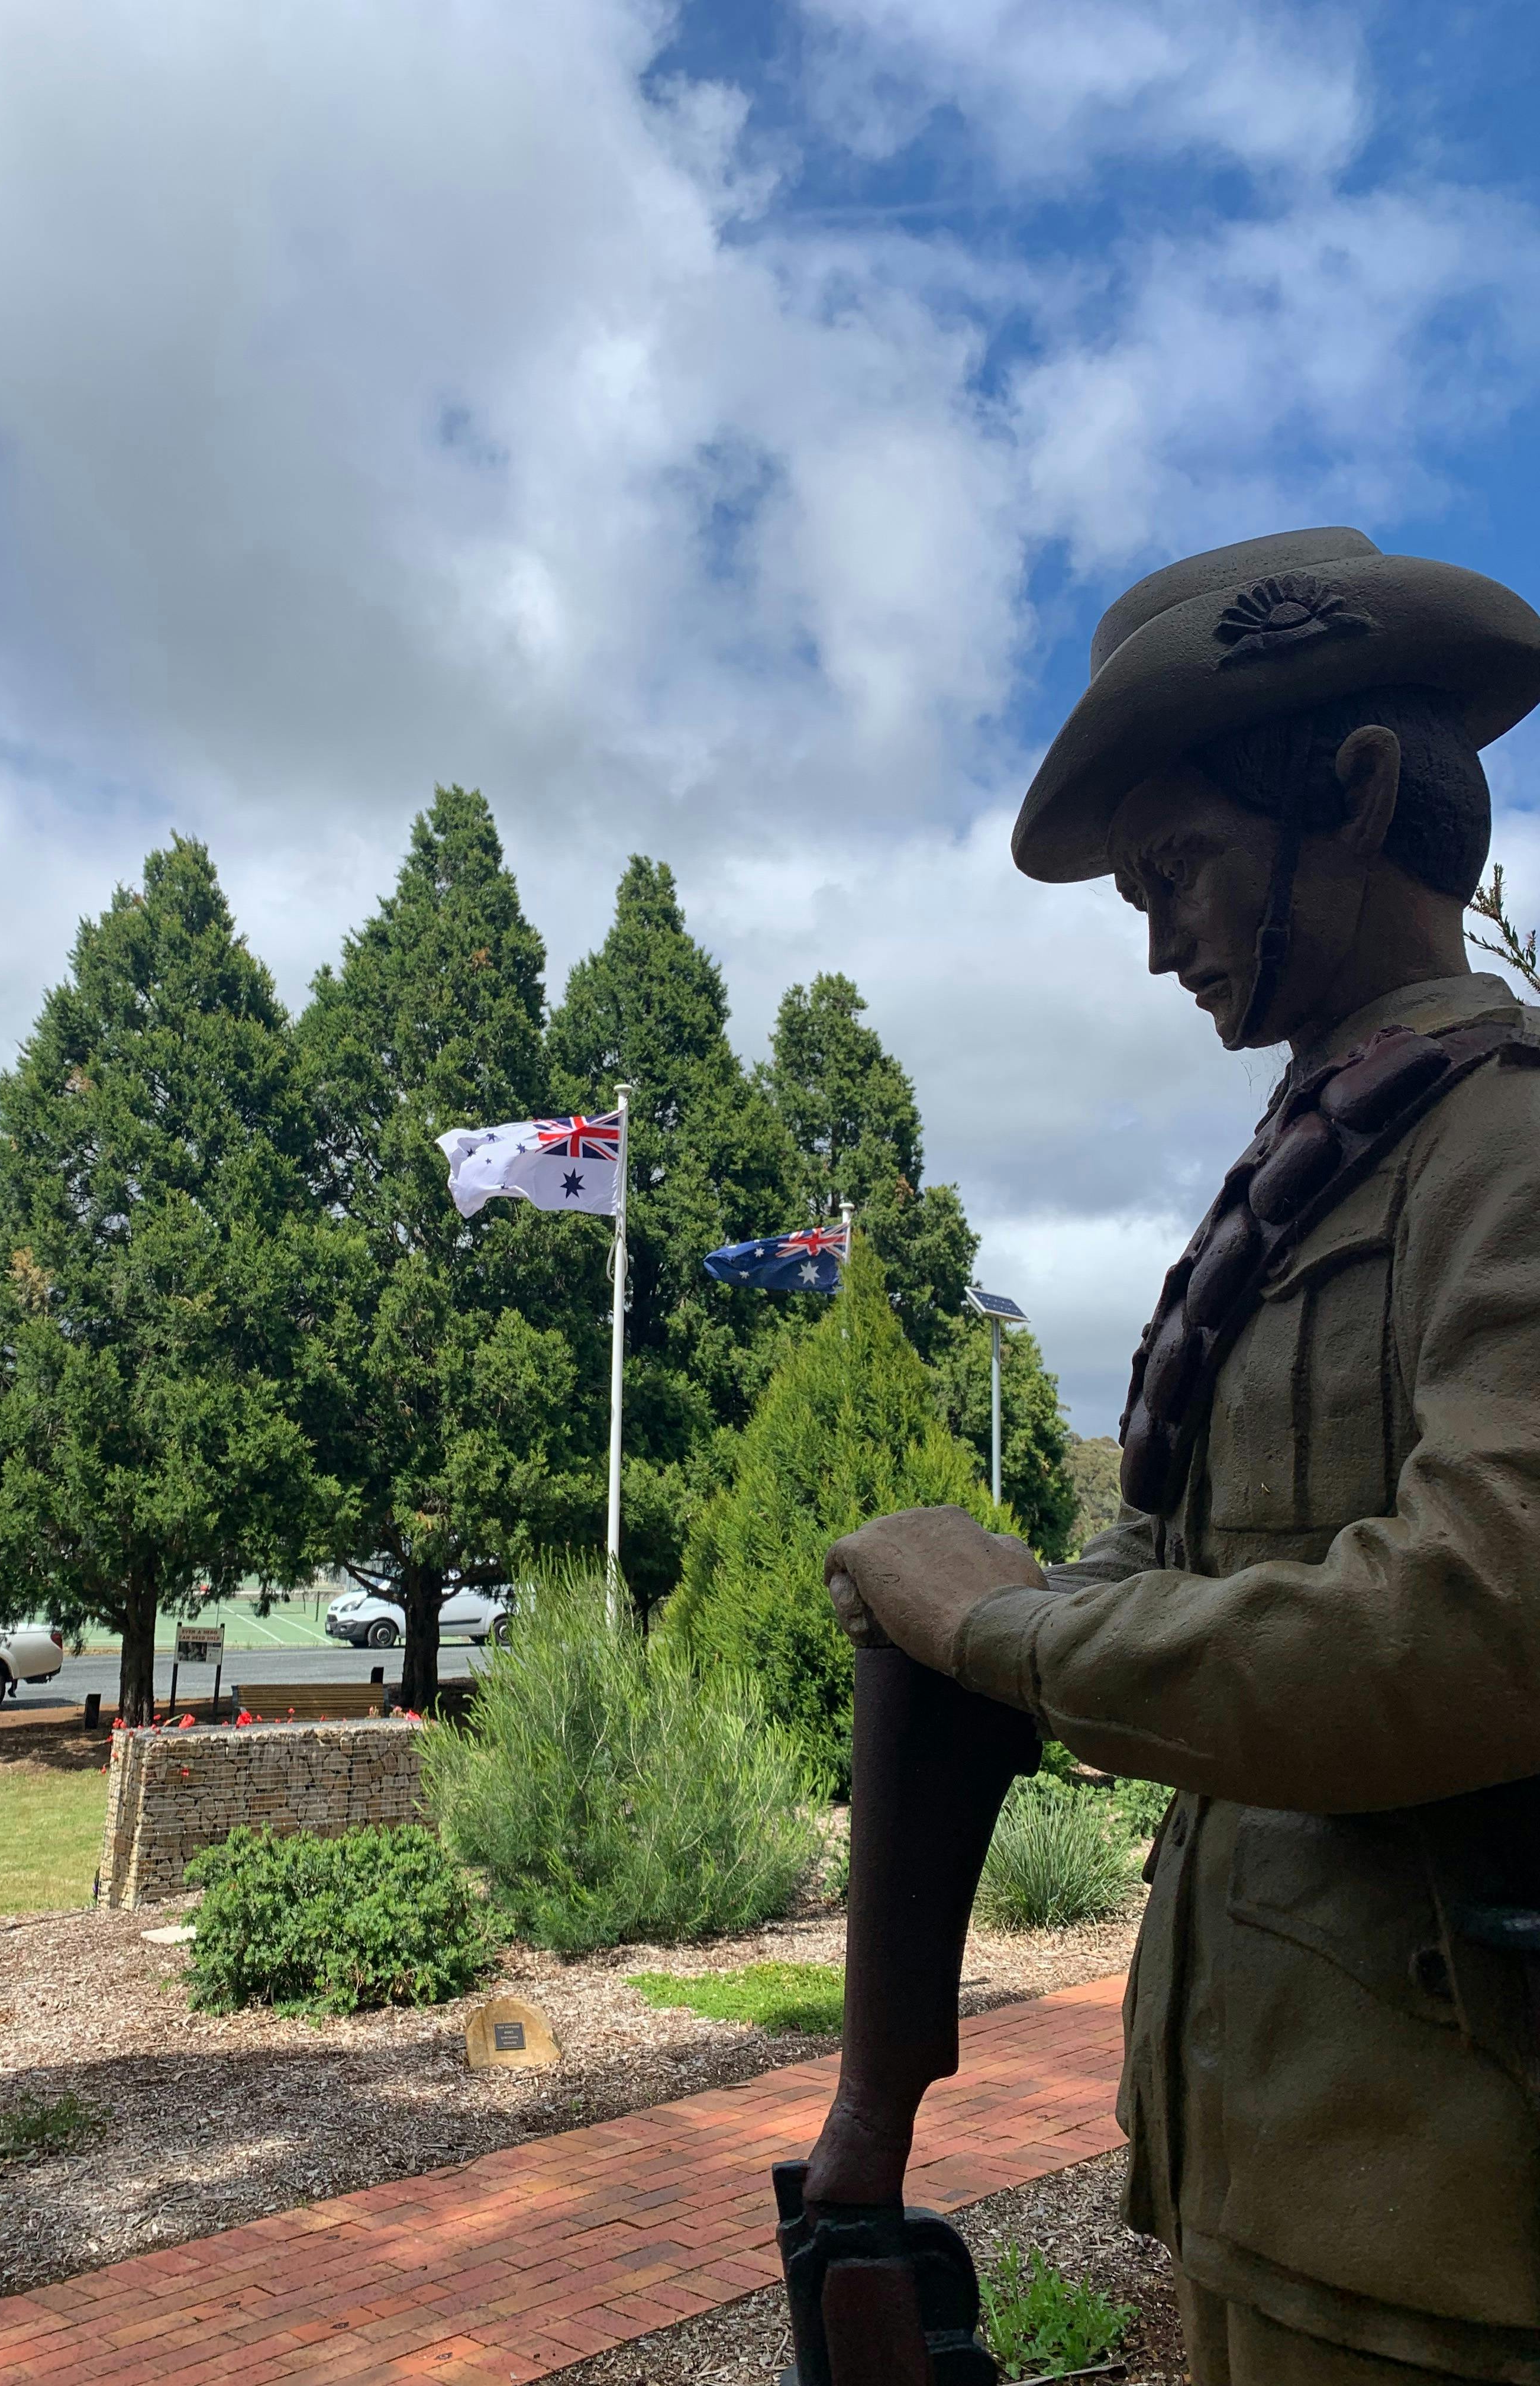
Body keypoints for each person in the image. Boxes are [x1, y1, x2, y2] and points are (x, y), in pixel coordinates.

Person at [827, 527, 1540, 2385]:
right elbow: (1196, 1560)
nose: (1156, 944)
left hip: (1468, 2235)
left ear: (1363, 795)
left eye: (1185, 873)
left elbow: (1484, 1622)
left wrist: (1015, 1641)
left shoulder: (1507, 1160)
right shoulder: (1326, 1172)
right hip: (1274, 2184)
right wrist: (966, 1599)